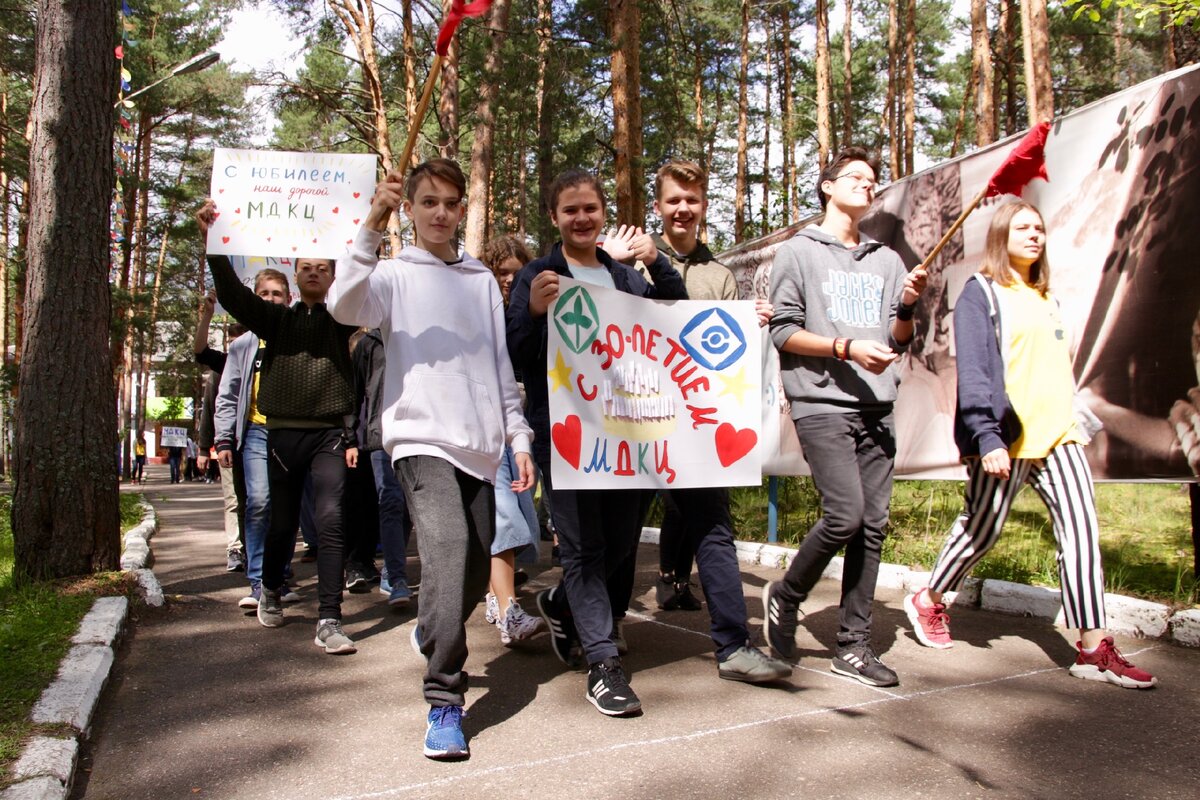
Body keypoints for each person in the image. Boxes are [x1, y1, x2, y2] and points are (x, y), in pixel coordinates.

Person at [328, 158, 534, 759]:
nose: (441, 213)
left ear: (461, 208)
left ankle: (430, 628)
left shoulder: (478, 281)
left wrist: (517, 438)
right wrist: (372, 220)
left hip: (481, 444)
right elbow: (343, 305)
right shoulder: (391, 276)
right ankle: (445, 701)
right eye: (428, 203)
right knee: (444, 553)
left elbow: (500, 368)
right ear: (410, 210)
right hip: (419, 440)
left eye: (450, 202)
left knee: (471, 571)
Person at [903, 202, 1156, 689]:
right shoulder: (983, 293)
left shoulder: (1046, 297)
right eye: (1022, 227)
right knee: (983, 531)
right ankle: (931, 598)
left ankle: (1092, 648)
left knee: (1081, 534)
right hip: (1005, 436)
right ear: (1001, 235)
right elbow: (975, 368)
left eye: (1039, 228)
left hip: (1060, 435)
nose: (1034, 235)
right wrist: (986, 434)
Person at [507, 169, 685, 717]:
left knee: (621, 545)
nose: (582, 218)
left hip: (631, 434)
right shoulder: (539, 275)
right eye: (570, 210)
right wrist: (534, 314)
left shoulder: (626, 278)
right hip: (567, 436)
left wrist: (656, 261)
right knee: (583, 548)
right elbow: (515, 353)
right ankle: (603, 664)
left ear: (603, 213)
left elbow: (673, 314)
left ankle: (563, 604)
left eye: (590, 208)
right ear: (555, 218)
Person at [764, 146, 927, 688]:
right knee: (846, 515)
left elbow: (897, 340)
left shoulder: (887, 260)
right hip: (820, 401)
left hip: (877, 405)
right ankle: (786, 595)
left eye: (873, 179)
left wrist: (905, 307)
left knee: (873, 528)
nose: (867, 183)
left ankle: (853, 647)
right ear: (826, 187)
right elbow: (783, 330)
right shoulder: (799, 252)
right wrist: (845, 347)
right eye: (854, 176)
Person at [640, 159, 792, 684]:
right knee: (611, 540)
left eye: (693, 200)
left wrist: (753, 324)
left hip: (697, 429)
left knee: (714, 530)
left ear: (704, 205)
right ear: (657, 206)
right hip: (629, 428)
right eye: (673, 200)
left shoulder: (720, 276)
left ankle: (733, 645)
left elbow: (730, 356)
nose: (683, 209)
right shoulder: (632, 267)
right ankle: (573, 614)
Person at [198, 200, 359, 656]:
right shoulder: (276, 320)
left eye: (321, 268)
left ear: (332, 275)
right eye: (304, 267)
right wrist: (214, 242)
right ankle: (269, 586)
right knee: (281, 522)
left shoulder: (343, 317)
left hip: (328, 434)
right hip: (281, 436)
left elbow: (364, 276)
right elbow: (231, 294)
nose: (312, 273)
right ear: (295, 271)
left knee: (329, 523)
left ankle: (330, 618)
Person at [209, 267, 299, 610]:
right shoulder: (243, 345)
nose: (272, 299)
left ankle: (281, 575)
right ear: (254, 298)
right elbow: (228, 394)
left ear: (288, 299)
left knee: (285, 507)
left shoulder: (297, 336)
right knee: (259, 502)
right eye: (265, 294)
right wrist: (223, 440)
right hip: (257, 432)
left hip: (290, 432)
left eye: (278, 294)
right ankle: (259, 580)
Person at [478, 235, 546, 646]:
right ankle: (510, 612)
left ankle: (494, 592)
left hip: (527, 422)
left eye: (515, 273)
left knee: (522, 514)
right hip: (489, 426)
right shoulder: (480, 311)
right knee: (504, 514)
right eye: (500, 273)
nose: (507, 280)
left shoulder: (536, 309)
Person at [349, 327, 413, 607]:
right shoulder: (369, 344)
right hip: (380, 435)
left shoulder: (416, 333)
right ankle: (396, 578)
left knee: (411, 507)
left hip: (417, 432)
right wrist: (350, 438)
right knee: (390, 501)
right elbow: (355, 394)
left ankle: (391, 568)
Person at [194, 291, 247, 572]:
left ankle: (259, 548)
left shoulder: (265, 357)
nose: (235, 347)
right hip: (229, 442)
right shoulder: (222, 367)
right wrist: (205, 448)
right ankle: (236, 548)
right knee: (233, 498)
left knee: (261, 499)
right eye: (230, 343)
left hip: (261, 438)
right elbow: (210, 409)